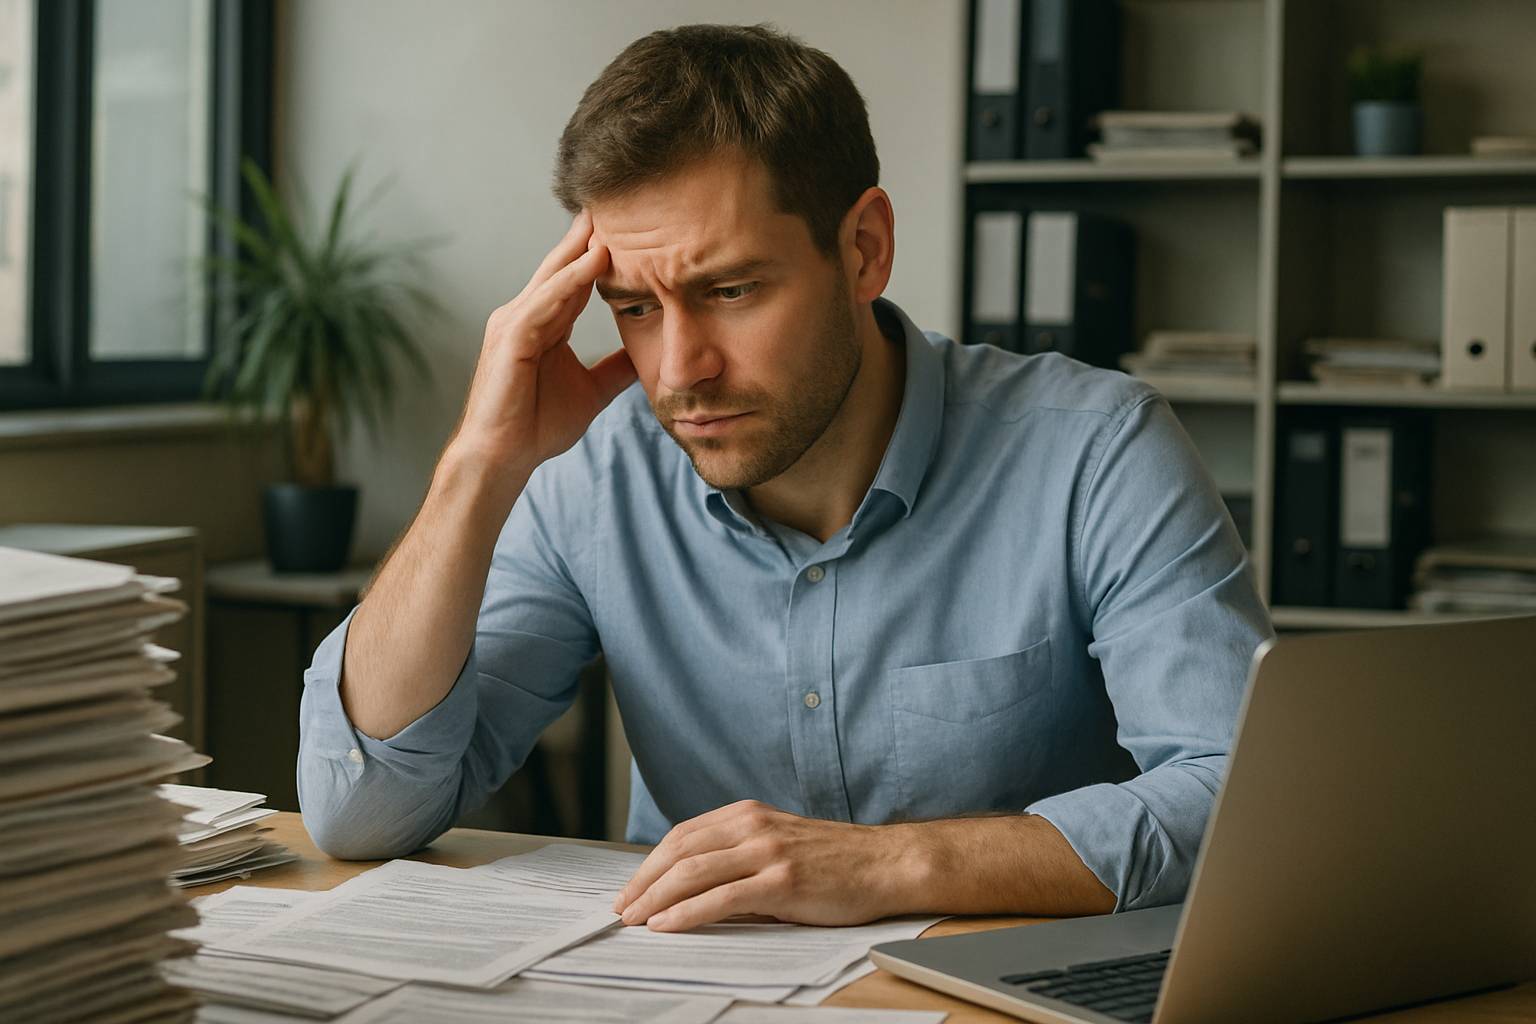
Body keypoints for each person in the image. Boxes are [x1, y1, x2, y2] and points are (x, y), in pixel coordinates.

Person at [297, 23, 1273, 933]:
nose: (679, 370)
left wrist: (886, 865)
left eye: (729, 291)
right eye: (634, 308)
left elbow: (1236, 799)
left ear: (864, 250)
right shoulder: (593, 475)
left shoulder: (1098, 451)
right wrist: (478, 464)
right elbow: (362, 809)